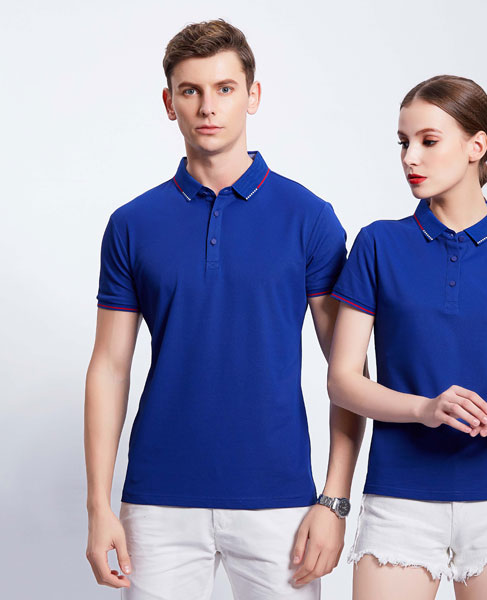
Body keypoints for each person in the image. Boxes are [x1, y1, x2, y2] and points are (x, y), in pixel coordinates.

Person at [84, 19, 366, 600]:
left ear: (252, 95)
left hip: (280, 501)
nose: (207, 107)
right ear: (170, 103)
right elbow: (109, 366)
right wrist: (98, 505)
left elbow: (347, 371)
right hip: (158, 501)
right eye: (190, 91)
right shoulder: (132, 224)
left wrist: (335, 499)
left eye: (225, 88)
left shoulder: (309, 218)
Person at [327, 74, 487, 600]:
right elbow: (342, 380)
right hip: (400, 494)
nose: (410, 157)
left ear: (476, 146)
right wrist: (424, 409)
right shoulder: (377, 244)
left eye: (428, 141)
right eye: (403, 142)